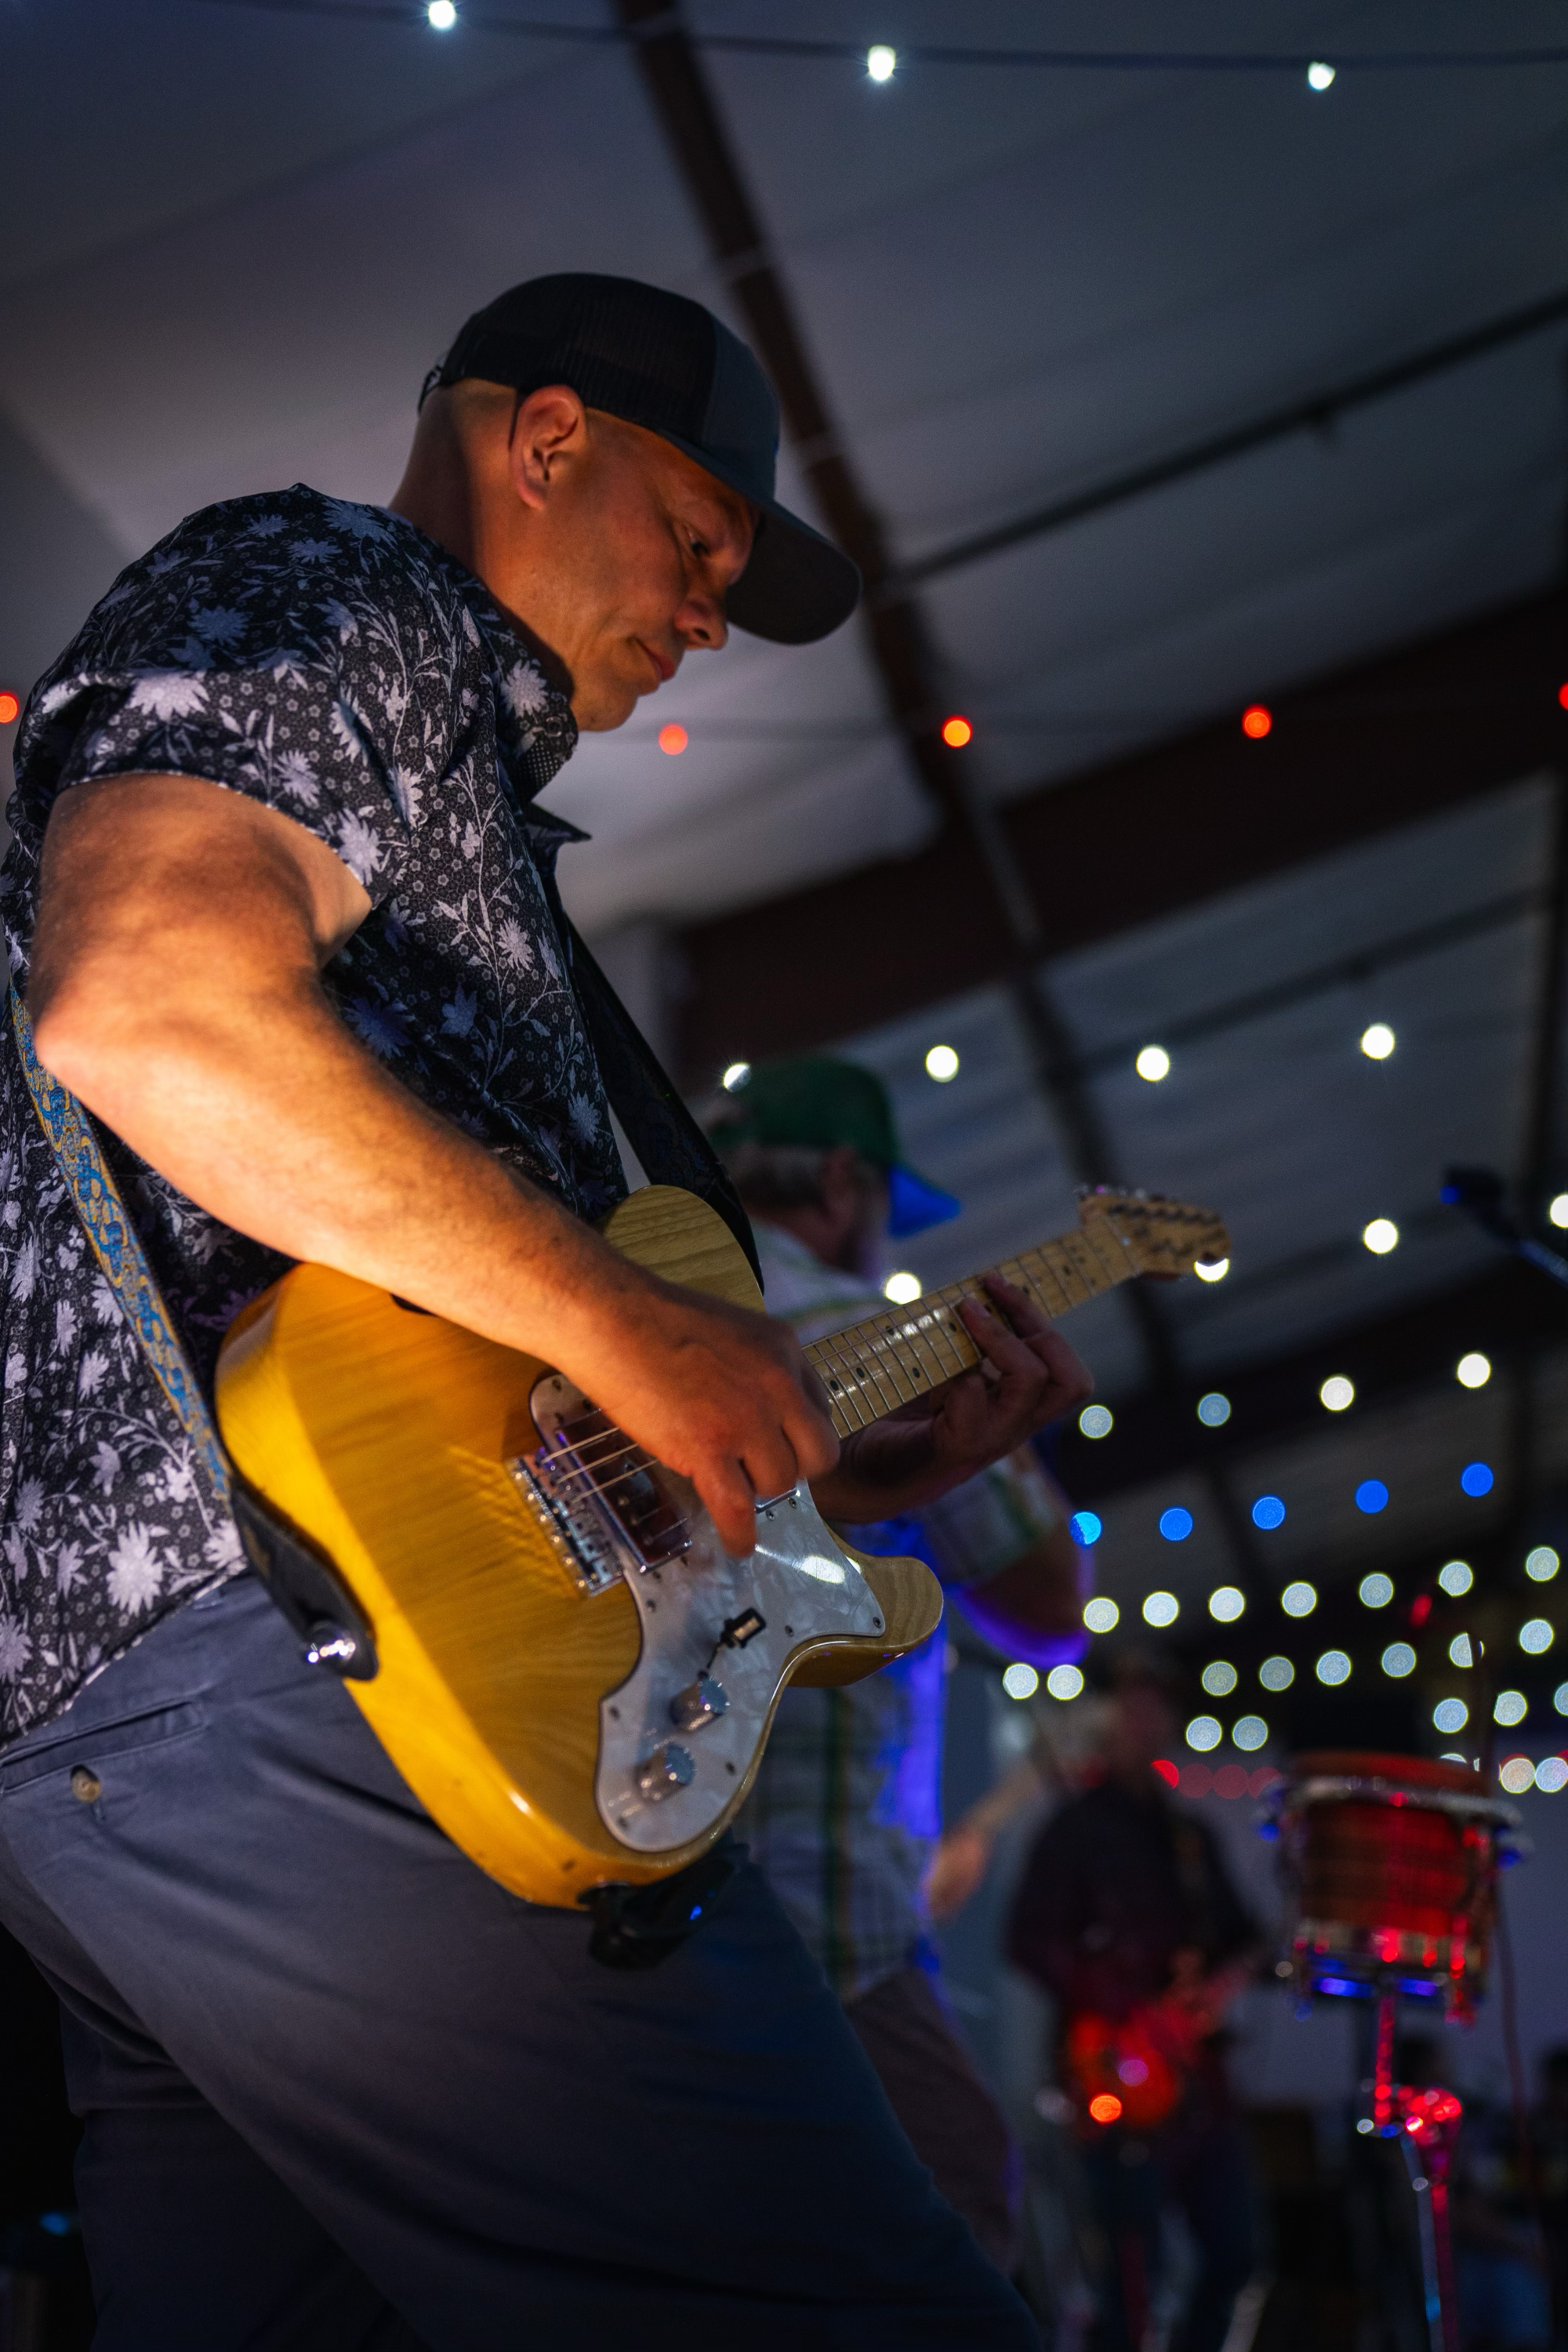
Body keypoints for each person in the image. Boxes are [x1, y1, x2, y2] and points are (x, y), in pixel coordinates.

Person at [0, 272, 1099, 2348]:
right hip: (302, 1681)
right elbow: (144, 1003)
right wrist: (636, 1326)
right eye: (695, 546)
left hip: (149, 1748)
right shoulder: (329, 590)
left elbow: (440, 1356)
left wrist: (780, 1463)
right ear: (548, 435)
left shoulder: (453, 789)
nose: (701, 616)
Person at [706, 1054, 1089, 2270]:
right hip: (823, 1908)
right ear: (840, 1179)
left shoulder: (657, 1290)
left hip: (617, 1871)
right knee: (959, 2204)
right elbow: (1047, 1610)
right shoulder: (866, 1330)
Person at [1005, 1656, 1261, 2352]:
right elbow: (1026, 1939)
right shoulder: (1074, 1830)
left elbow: (1246, 1938)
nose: (1148, 1727)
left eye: (1158, 1712)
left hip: (1196, 2076)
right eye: (1134, 1711)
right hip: (1115, 2071)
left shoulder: (1191, 1836)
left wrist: (1217, 1984)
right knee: (1128, 2272)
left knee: (1236, 2253)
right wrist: (1120, 2005)